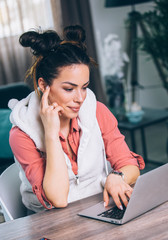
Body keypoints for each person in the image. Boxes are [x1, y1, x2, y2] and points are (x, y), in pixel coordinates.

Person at [9, 25, 145, 213]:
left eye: (84, 87)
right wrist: (50, 133)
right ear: (43, 85)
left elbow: (130, 166)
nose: (80, 98)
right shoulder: (22, 134)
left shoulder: (97, 111)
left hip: (99, 207)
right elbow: (58, 199)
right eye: (69, 89)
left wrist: (117, 176)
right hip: (51, 222)